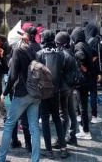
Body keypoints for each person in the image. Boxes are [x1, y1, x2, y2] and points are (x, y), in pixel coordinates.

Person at [0, 25, 41, 162]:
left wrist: (5, 92)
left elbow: (13, 76)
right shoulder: (35, 50)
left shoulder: (18, 52)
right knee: (34, 127)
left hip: (22, 93)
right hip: (35, 93)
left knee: (9, 124)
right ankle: (35, 159)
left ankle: (1, 158)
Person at [36, 30, 70, 159]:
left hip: (44, 91)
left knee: (45, 119)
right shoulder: (61, 54)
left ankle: (49, 150)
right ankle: (63, 148)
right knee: (57, 119)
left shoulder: (39, 54)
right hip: (56, 91)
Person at [56, 31, 79, 146]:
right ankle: (72, 136)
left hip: (63, 88)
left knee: (63, 114)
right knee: (71, 112)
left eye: (57, 43)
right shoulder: (71, 52)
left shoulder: (63, 55)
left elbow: (59, 72)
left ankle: (61, 139)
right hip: (70, 87)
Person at [70, 27, 93, 139]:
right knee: (83, 104)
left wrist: (82, 66)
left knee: (82, 105)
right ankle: (85, 128)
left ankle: (85, 130)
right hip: (88, 78)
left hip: (82, 80)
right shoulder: (86, 44)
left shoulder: (78, 46)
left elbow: (80, 56)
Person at [84, 23, 102, 124]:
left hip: (83, 70)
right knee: (93, 93)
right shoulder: (95, 41)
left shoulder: (82, 39)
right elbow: (98, 59)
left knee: (81, 94)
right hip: (92, 71)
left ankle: (80, 114)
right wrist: (99, 73)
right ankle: (93, 116)